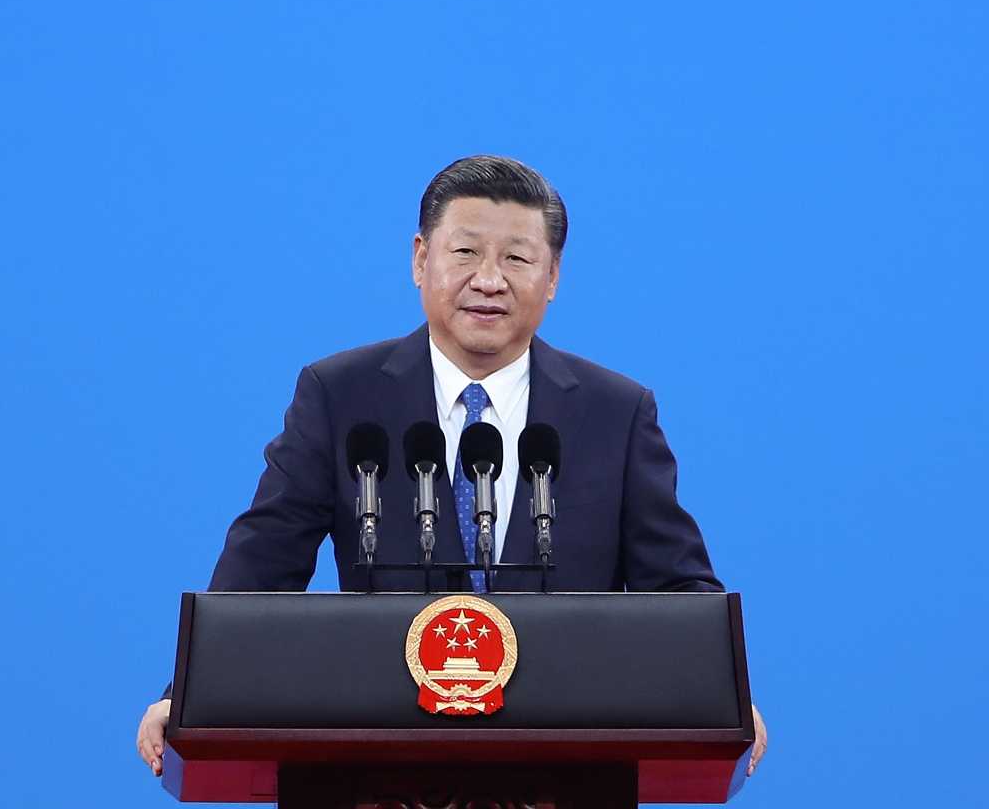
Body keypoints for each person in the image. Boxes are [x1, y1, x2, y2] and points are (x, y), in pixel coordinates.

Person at [135, 155, 767, 776]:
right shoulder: (341, 396)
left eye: (517, 259)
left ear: (552, 277)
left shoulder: (616, 413)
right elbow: (261, 566)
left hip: (565, 761)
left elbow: (677, 585)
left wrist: (722, 691)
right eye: (465, 253)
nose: (489, 280)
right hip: (376, 756)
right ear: (420, 259)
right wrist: (185, 695)